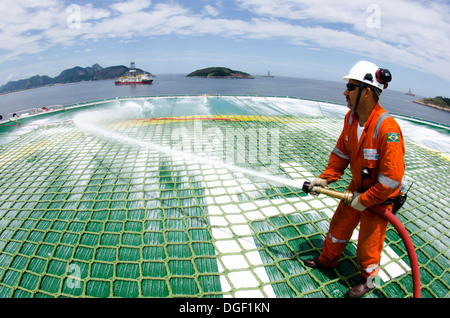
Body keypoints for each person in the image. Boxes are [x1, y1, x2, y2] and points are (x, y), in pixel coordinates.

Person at [303, 61, 405, 298]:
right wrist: (325, 179)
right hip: (356, 188)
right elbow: (341, 153)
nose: (345, 92)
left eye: (350, 87)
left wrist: (366, 200)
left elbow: (391, 180)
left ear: (367, 92)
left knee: (369, 248)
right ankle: (328, 260)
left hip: (379, 199)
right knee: (338, 227)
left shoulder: (387, 129)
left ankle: (369, 281)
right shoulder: (351, 118)